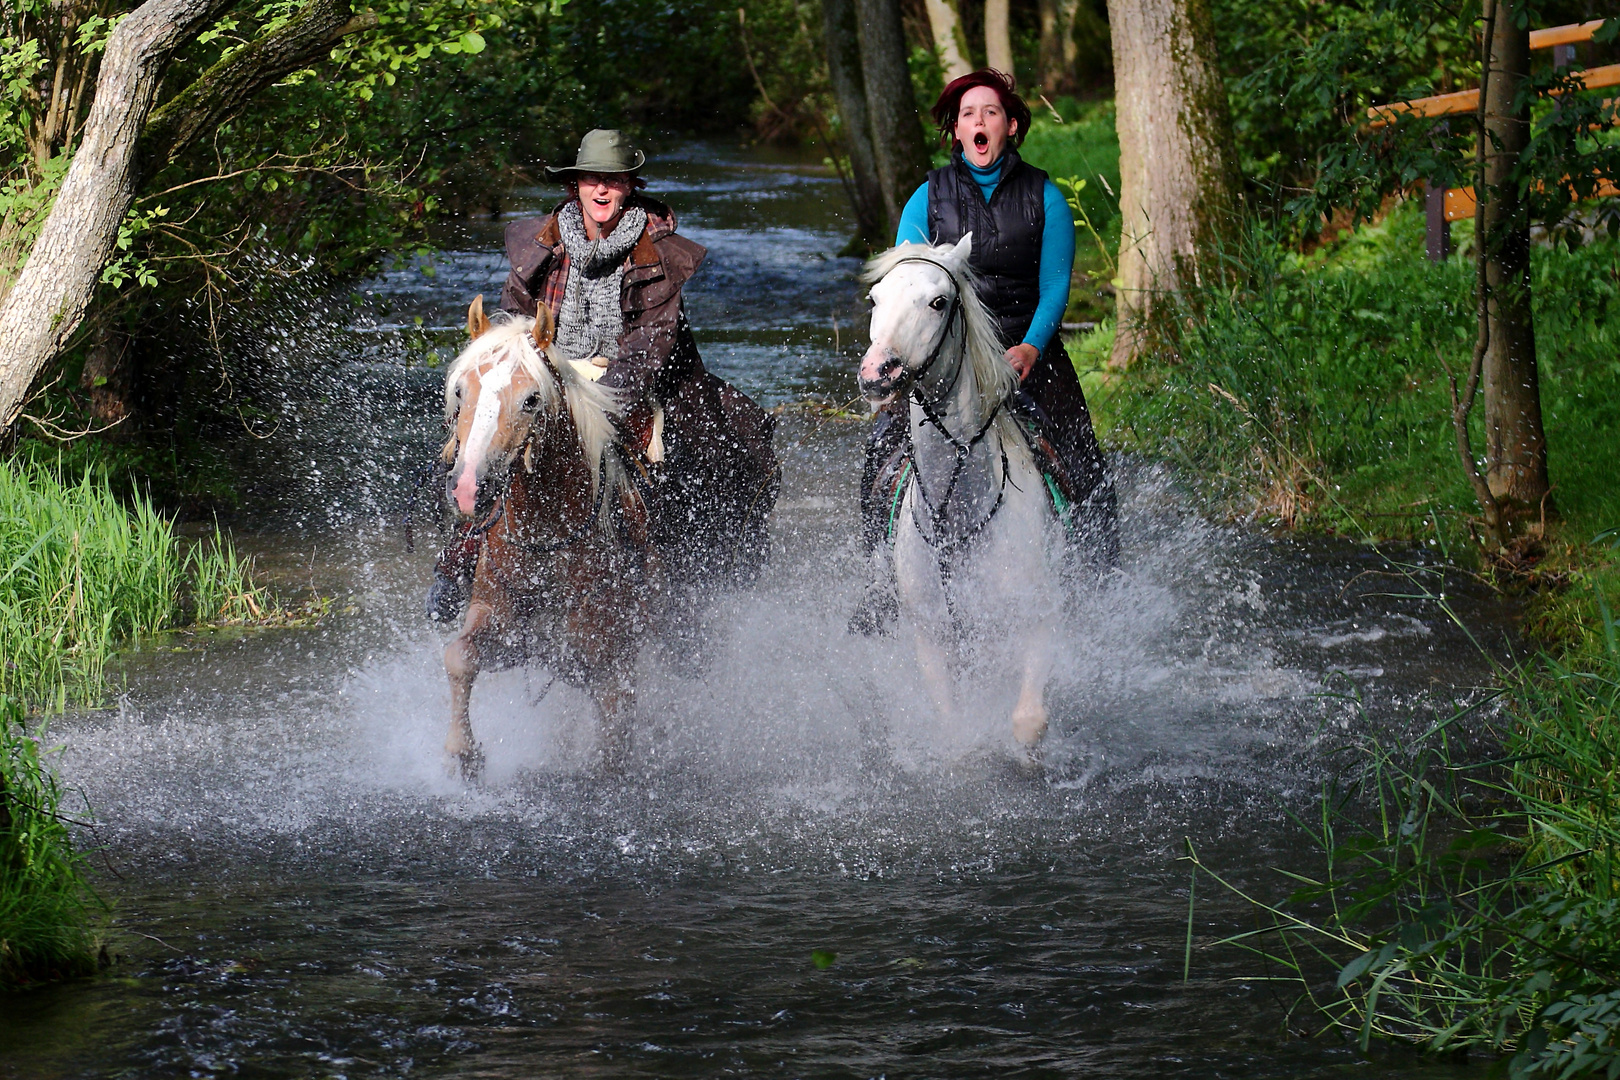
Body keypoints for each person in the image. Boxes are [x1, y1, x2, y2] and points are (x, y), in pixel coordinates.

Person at [428, 129, 779, 622]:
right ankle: (464, 553)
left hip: (629, 377)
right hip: (548, 369)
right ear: (576, 185)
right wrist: (519, 370)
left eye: (611, 181)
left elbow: (650, 342)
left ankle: (669, 585)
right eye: (592, 180)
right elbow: (514, 317)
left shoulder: (656, 251)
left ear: (629, 185)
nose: (600, 191)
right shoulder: (542, 242)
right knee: (482, 432)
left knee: (675, 465)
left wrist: (596, 401)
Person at [852, 69, 1117, 634]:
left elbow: (1055, 288)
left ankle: (1097, 585)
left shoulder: (1046, 196)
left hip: (1027, 349)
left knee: (1083, 461)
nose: (978, 122)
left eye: (990, 113)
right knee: (879, 456)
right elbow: (904, 290)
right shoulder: (927, 198)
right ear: (956, 132)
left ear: (1011, 126)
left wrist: (1030, 347)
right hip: (943, 358)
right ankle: (880, 580)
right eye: (968, 114)